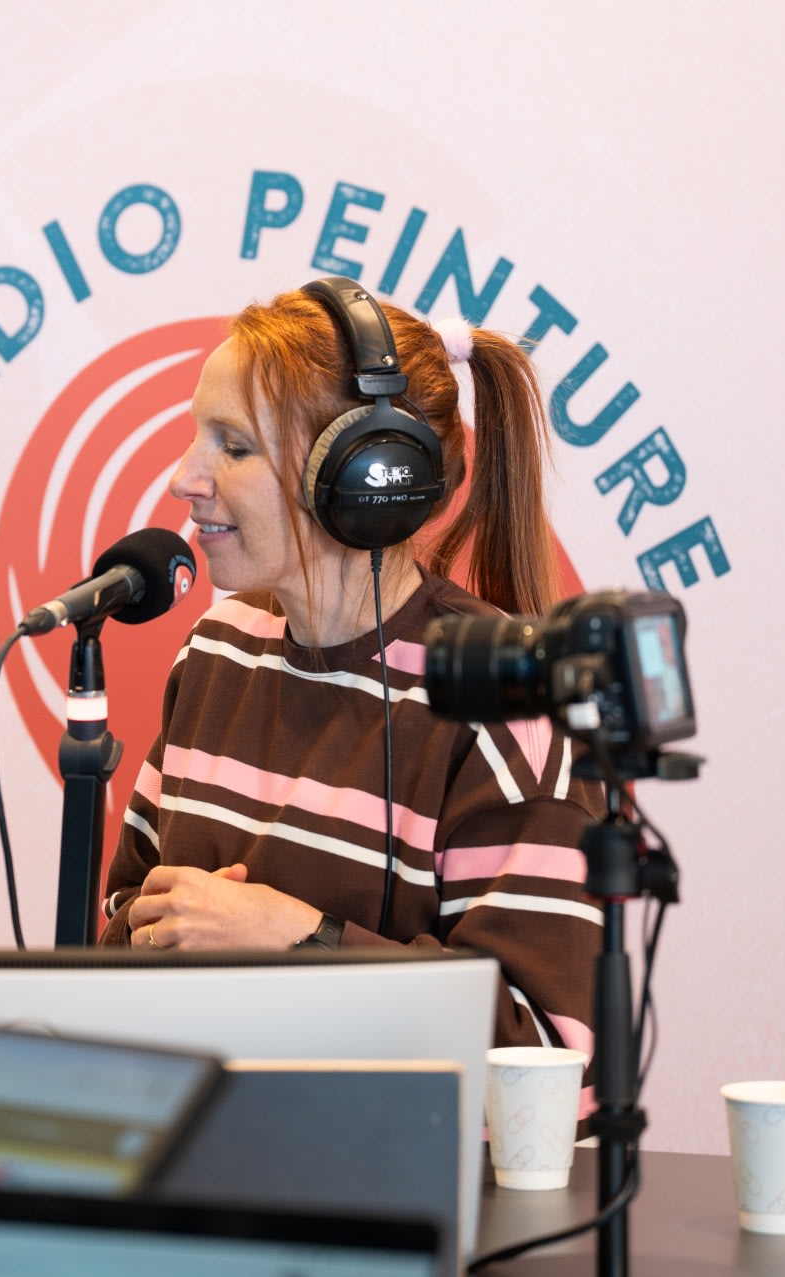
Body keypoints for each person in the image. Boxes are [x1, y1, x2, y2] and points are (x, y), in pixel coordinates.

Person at [100, 281, 602, 1053]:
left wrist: (298, 939)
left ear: (366, 480)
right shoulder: (218, 647)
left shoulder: (506, 699)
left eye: (233, 447)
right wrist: (153, 936)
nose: (184, 478)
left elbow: (540, 1060)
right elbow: (124, 921)